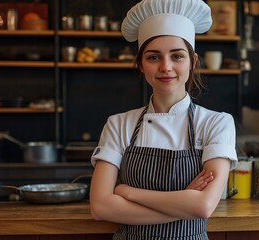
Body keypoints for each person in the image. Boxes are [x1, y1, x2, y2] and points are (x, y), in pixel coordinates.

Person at [89, 0, 238, 239]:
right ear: (140, 64)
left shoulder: (216, 123)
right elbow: (101, 207)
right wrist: (184, 201)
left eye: (177, 56)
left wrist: (128, 192)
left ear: (193, 61)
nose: (166, 67)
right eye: (153, 57)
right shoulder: (118, 124)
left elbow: (202, 207)